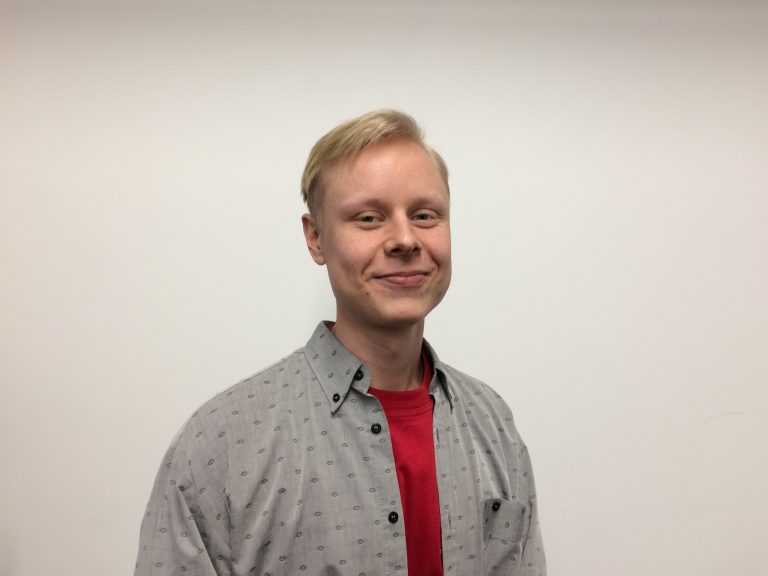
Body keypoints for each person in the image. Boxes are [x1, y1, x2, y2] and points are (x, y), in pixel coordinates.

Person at [134, 109, 546, 576]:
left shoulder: (493, 423)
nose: (405, 239)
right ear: (315, 238)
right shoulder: (220, 446)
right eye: (369, 218)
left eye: (424, 215)